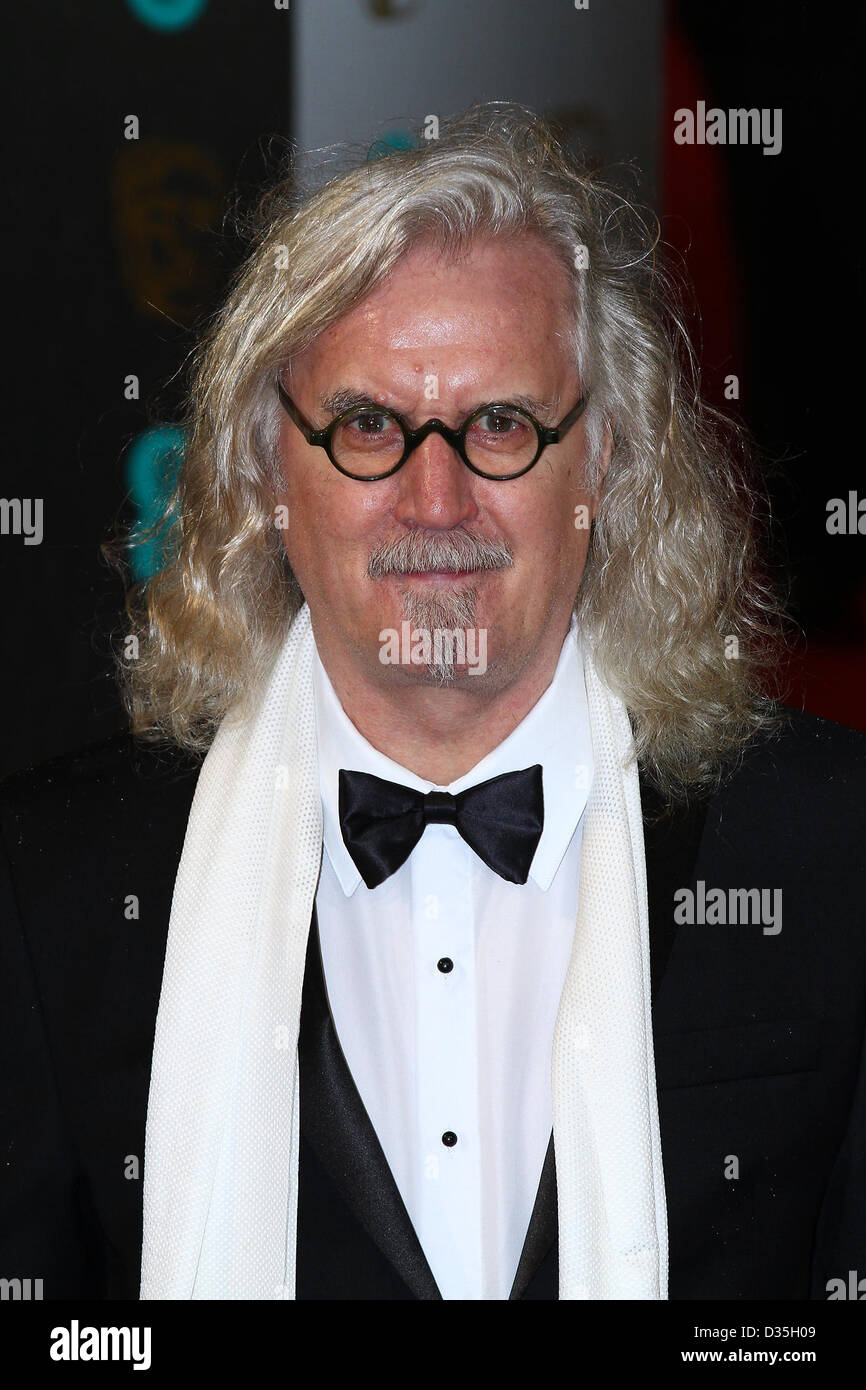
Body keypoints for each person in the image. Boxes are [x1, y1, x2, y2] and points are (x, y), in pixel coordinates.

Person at [1, 104, 864, 1302]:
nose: (435, 497)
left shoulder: (831, 854)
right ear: (267, 467)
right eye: (367, 426)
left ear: (603, 458)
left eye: (499, 423)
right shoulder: (56, 895)